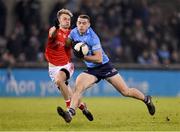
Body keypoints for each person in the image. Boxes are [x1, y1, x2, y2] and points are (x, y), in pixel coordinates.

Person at [58, 14, 156, 123]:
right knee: (78, 88)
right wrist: (70, 43)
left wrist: (83, 56)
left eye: (84, 23)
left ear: (89, 25)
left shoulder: (93, 38)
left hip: (105, 67)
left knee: (125, 91)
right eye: (79, 23)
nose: (81, 25)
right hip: (92, 70)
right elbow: (67, 43)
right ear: (76, 23)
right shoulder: (74, 32)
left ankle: (146, 100)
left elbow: (99, 59)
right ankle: (70, 113)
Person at [44, 10, 93, 122]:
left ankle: (68, 110)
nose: (67, 21)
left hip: (66, 65)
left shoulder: (72, 33)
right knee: (70, 94)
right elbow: (52, 34)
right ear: (59, 20)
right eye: (64, 19)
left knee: (59, 80)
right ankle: (83, 107)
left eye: (69, 19)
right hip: (52, 69)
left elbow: (82, 41)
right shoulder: (54, 30)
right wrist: (56, 27)